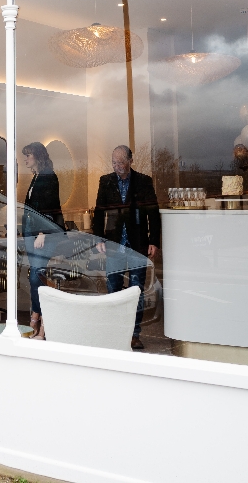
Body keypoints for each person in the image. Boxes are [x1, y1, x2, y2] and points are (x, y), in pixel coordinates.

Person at [92, 145, 160, 350]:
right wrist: (98, 239)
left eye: (120, 162)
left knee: (136, 291)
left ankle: (134, 334)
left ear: (130, 160)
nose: (117, 166)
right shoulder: (106, 181)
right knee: (113, 289)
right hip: (113, 244)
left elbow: (153, 214)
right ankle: (116, 331)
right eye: (113, 162)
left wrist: (154, 241)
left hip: (137, 243)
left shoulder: (143, 182)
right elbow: (98, 212)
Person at [21, 142, 65, 339]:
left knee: (36, 277)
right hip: (32, 234)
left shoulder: (49, 177)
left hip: (42, 236)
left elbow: (51, 206)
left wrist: (42, 232)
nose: (25, 159)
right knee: (35, 278)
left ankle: (37, 319)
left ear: (37, 156)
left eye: (28, 155)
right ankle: (37, 318)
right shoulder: (36, 177)